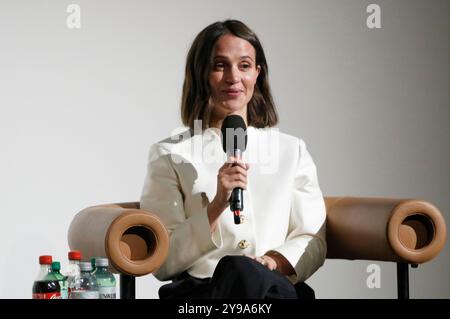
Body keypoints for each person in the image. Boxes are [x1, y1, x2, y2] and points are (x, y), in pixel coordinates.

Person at [140, 20, 326, 299]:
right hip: (204, 295)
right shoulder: (171, 154)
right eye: (219, 65)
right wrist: (215, 207)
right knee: (239, 274)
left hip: (275, 287)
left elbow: (312, 237)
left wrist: (272, 261)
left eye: (244, 65)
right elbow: (163, 261)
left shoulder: (291, 150)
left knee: (254, 280)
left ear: (257, 74)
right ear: (201, 73)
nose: (233, 77)